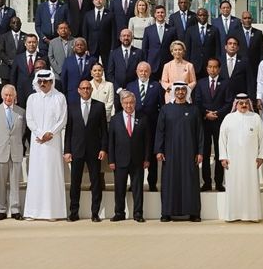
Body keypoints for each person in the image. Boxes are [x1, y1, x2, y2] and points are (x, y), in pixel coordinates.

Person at [21, 71, 68, 221]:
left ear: (51, 81)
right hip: (37, 142)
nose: (43, 84)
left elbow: (62, 119)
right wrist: (40, 134)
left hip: (53, 142)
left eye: (46, 81)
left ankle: (52, 212)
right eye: (40, 81)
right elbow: (29, 119)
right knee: (36, 175)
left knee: (51, 175)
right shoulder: (32, 98)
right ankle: (33, 212)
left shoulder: (59, 97)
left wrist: (50, 133)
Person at [156, 82, 203, 222]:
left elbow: (200, 133)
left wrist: (200, 152)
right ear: (174, 92)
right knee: (169, 181)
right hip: (170, 153)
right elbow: (160, 131)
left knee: (191, 181)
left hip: (190, 153)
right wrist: (159, 150)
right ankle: (167, 212)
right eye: (178, 90)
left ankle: (193, 212)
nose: (181, 92)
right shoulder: (165, 109)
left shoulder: (194, 110)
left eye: (183, 90)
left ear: (187, 92)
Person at [66, 77, 108, 221]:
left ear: (91, 90)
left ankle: (95, 213)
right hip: (76, 150)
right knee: (75, 183)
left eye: (88, 88)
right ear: (78, 90)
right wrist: (67, 151)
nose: (85, 90)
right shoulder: (72, 106)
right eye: (83, 88)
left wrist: (103, 148)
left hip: (94, 150)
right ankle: (74, 212)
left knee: (95, 182)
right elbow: (69, 131)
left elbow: (104, 131)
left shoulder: (99, 106)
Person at [217, 93, 263, 222]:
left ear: (249, 104)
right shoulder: (228, 118)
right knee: (234, 186)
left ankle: (252, 215)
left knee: (251, 186)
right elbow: (222, 139)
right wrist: (223, 157)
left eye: (246, 103)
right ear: (236, 104)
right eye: (240, 103)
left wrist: (261, 156)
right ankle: (233, 215)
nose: (243, 105)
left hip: (251, 161)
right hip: (233, 160)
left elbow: (262, 139)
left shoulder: (255, 118)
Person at [109, 90, 151, 222]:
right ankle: (119, 213)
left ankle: (138, 213)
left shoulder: (143, 118)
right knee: (119, 188)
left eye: (131, 103)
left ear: (135, 103)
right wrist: (111, 160)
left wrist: (147, 158)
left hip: (137, 160)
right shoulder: (115, 119)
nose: (129, 105)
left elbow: (147, 141)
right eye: (126, 103)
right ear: (122, 104)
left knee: (138, 189)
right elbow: (111, 142)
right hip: (120, 160)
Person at [0, 85, 28, 220]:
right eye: (6, 95)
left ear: (15, 96)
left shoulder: (21, 112)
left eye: (11, 95)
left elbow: (22, 131)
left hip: (16, 151)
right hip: (0, 152)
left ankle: (15, 209)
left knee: (15, 182)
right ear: (2, 96)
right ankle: (1, 210)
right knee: (0, 183)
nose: (8, 97)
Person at [193, 58, 229, 192]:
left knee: (220, 153)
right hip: (205, 122)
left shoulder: (225, 83)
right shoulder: (201, 83)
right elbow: (197, 101)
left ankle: (219, 182)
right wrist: (206, 114)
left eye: (215, 67)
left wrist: (217, 113)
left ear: (219, 69)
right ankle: (207, 182)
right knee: (205, 152)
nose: (213, 69)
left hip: (220, 122)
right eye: (210, 67)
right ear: (207, 68)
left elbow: (229, 102)